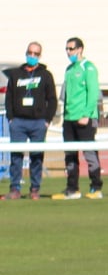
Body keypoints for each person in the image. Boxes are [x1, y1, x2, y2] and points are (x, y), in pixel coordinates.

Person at [6, 41, 57, 199]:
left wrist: (47, 120)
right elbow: (9, 98)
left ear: (39, 56)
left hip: (38, 123)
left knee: (36, 156)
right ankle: (15, 188)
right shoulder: (15, 74)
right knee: (16, 157)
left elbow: (52, 99)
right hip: (18, 123)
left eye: (36, 54)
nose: (32, 56)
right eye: (30, 53)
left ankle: (35, 188)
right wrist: (11, 119)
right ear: (26, 53)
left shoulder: (45, 75)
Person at [56, 37, 103, 200]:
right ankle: (72, 189)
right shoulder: (69, 69)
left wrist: (86, 114)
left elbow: (93, 93)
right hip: (69, 118)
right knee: (70, 154)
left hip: (85, 119)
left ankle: (96, 188)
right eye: (67, 49)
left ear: (80, 49)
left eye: (71, 49)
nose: (69, 52)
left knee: (89, 154)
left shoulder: (88, 68)